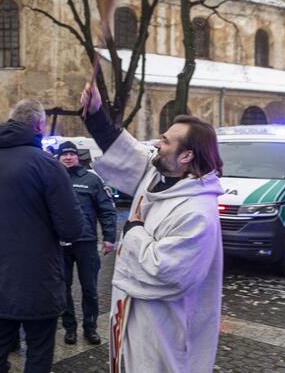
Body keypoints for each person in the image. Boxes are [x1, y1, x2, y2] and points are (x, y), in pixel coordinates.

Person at [79, 84, 224, 373]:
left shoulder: (197, 213)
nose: (157, 143)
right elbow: (127, 151)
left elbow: (167, 272)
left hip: (164, 327)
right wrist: (96, 113)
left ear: (186, 157)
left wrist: (133, 232)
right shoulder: (156, 173)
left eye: (166, 140)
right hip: (133, 313)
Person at [0, 99, 85, 373]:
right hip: (38, 279)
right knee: (38, 350)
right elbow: (72, 228)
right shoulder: (47, 165)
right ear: (39, 125)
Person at [56, 141, 117, 346]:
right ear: (58, 158)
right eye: (64, 155)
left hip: (86, 243)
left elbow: (106, 210)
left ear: (78, 157)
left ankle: (90, 327)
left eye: (72, 154)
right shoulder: (52, 179)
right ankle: (70, 328)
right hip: (60, 244)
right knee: (63, 288)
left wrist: (109, 237)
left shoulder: (91, 180)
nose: (68, 157)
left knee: (89, 288)